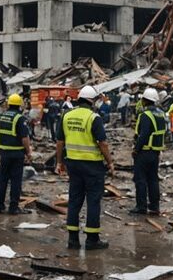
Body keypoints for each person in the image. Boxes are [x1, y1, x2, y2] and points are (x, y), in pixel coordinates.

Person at [56, 85, 115, 250]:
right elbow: (102, 143)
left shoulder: (66, 116)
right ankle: (92, 240)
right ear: (91, 100)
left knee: (74, 201)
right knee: (93, 201)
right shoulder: (93, 118)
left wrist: (59, 162)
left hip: (73, 164)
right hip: (92, 166)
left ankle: (73, 240)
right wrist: (109, 162)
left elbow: (59, 142)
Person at [0, 93, 32, 214]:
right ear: (19, 105)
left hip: (4, 153)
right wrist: (28, 152)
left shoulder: (3, 116)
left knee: (2, 179)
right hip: (16, 153)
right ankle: (13, 207)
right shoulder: (20, 118)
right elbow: (25, 138)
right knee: (15, 181)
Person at [129, 88, 165, 215]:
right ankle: (155, 206)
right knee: (153, 179)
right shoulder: (161, 113)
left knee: (141, 180)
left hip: (144, 152)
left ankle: (141, 206)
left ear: (145, 100)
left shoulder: (145, 115)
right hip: (155, 152)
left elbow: (143, 135)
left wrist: (136, 149)